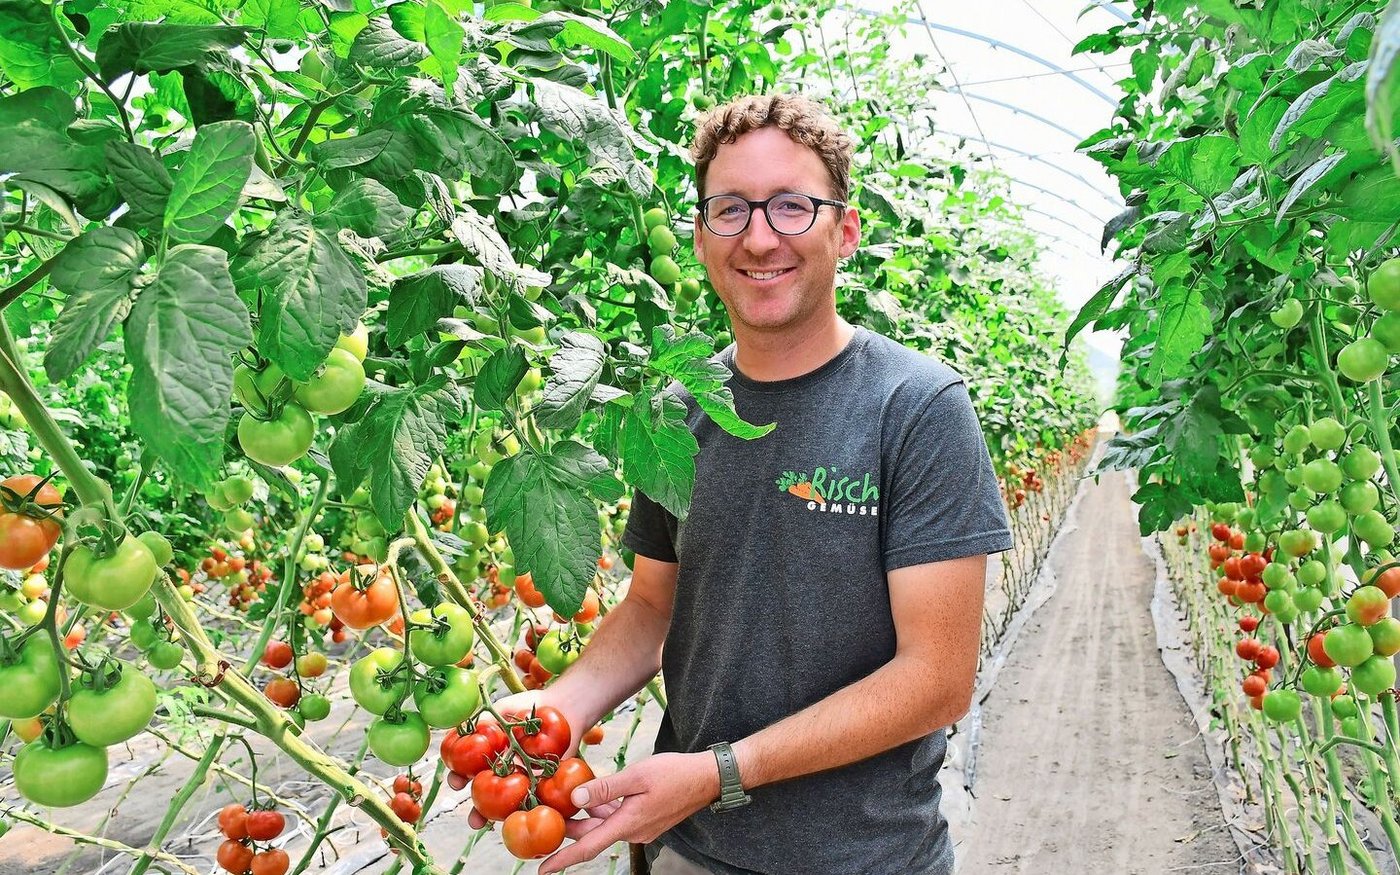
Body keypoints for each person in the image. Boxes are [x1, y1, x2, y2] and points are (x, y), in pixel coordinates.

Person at [469, 93, 1013, 875]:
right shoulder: (675, 409)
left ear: (846, 230)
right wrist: (559, 705)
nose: (759, 238)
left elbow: (936, 680)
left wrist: (719, 773)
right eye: (730, 210)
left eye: (792, 206)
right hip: (691, 852)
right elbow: (652, 605)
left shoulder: (916, 407)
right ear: (699, 237)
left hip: (865, 859)